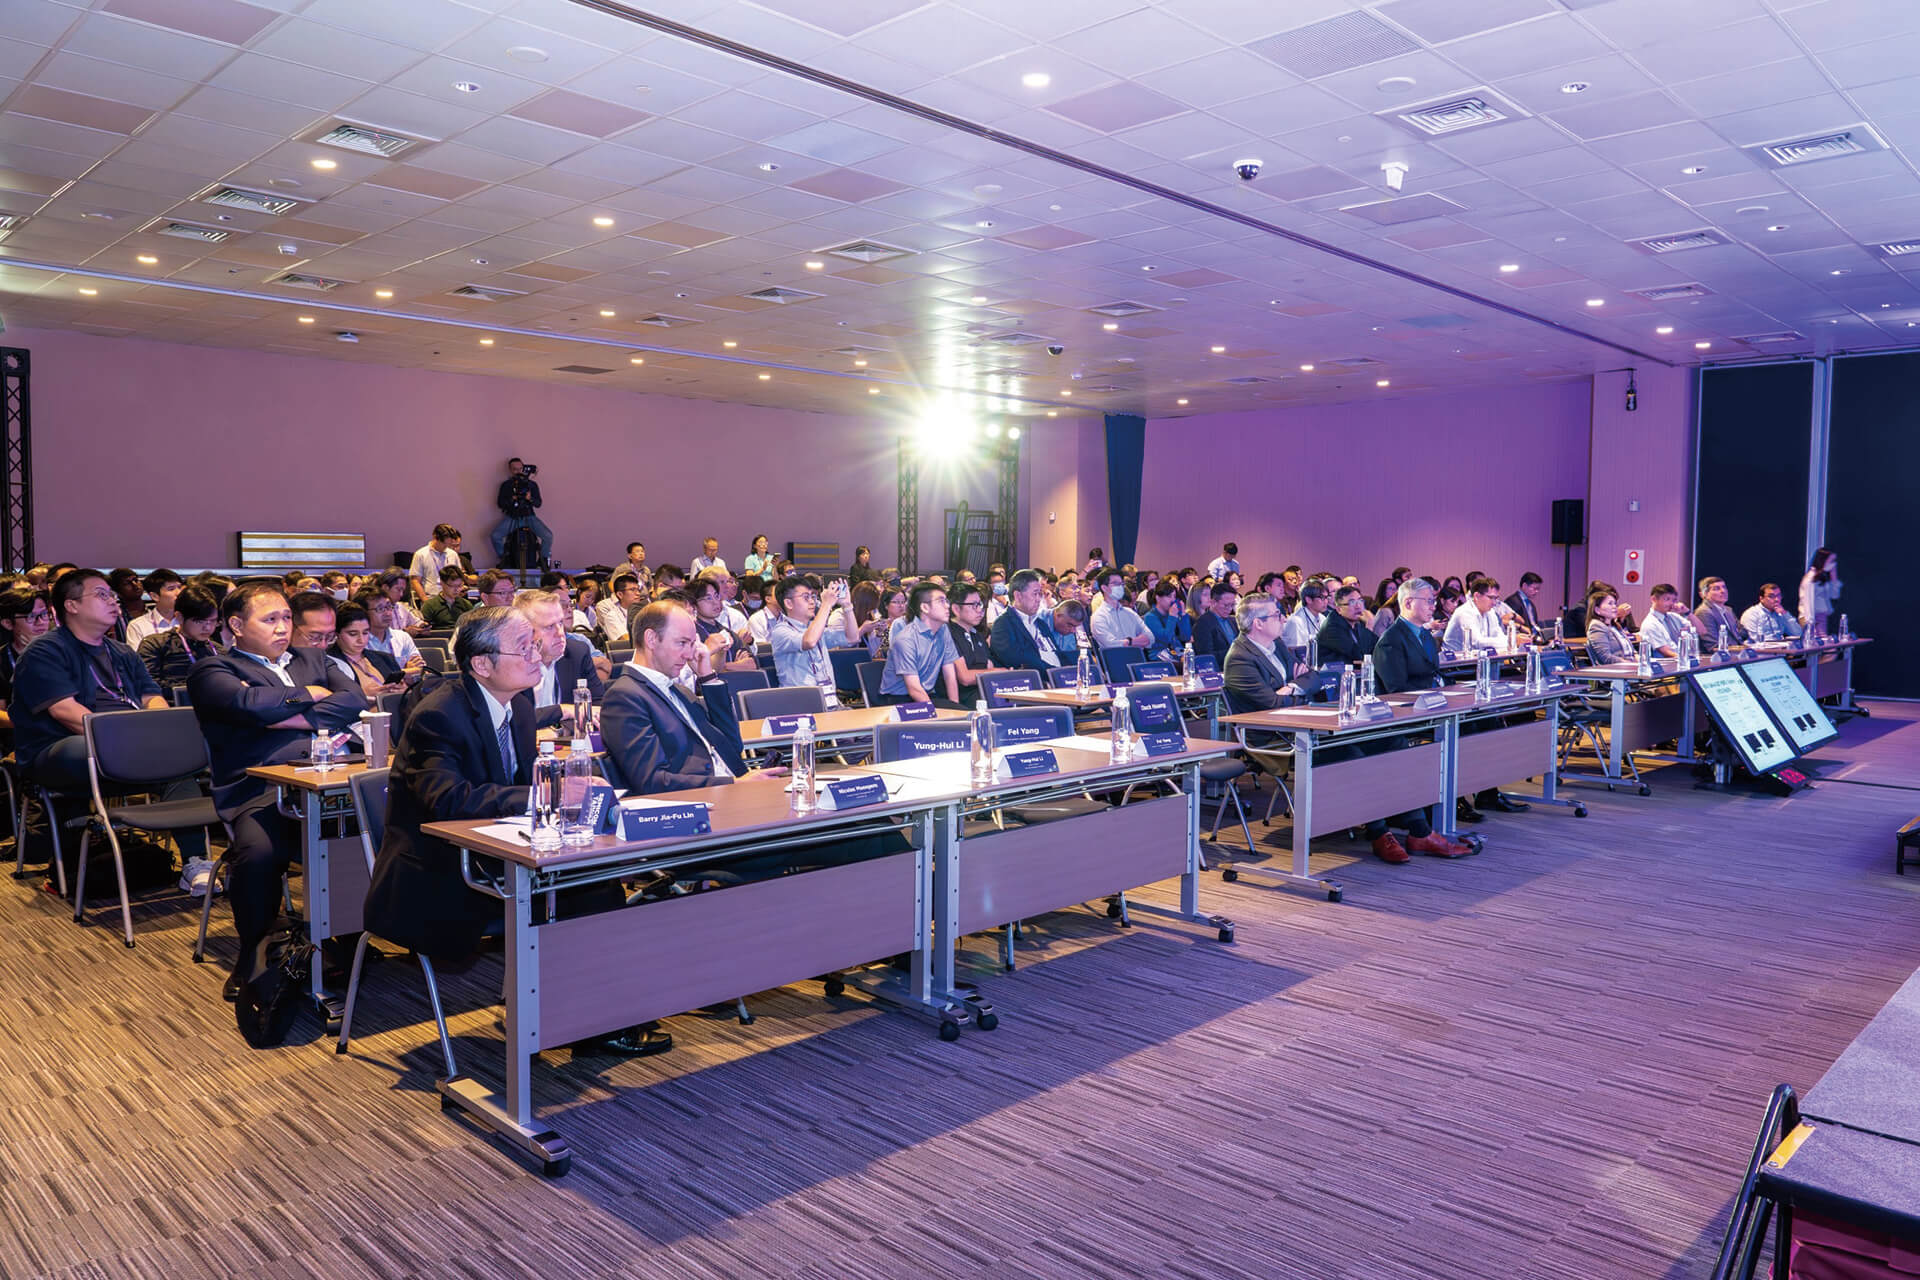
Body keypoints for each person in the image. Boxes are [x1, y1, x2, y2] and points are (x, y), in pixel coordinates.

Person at [364, 607, 667, 1057]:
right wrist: (546, 792)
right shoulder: (439, 714)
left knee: (595, 880)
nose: (536, 656)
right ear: (481, 664)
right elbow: (447, 799)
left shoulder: (520, 707)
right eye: (523, 648)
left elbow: (519, 787)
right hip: (439, 872)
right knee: (588, 894)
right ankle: (586, 1020)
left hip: (501, 855)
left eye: (534, 645)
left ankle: (587, 1013)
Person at [188, 582, 368, 994]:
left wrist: (281, 715)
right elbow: (244, 705)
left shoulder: (315, 657)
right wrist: (310, 695)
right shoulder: (214, 670)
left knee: (383, 830)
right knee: (258, 853)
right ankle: (254, 953)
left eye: (286, 617)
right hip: (261, 789)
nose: (283, 627)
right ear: (237, 625)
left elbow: (354, 699)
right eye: (270, 619)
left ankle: (350, 939)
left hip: (337, 778)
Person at [1226, 592, 1469, 863]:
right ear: (1258, 623)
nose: (1282, 619)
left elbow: (1313, 676)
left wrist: (1293, 687)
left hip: (1305, 725)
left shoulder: (1276, 644)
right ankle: (1379, 832)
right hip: (1277, 739)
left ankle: (1419, 830)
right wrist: (1299, 689)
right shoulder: (1239, 658)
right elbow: (1272, 703)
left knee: (1393, 743)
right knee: (1353, 754)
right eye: (1276, 615)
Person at [11, 569, 170, 803]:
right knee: (85, 748)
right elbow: (65, 711)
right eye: (101, 595)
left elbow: (151, 697)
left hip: (128, 740)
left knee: (183, 750)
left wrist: (162, 730)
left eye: (111, 595)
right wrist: (129, 739)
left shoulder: (123, 652)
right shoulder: (45, 651)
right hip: (64, 746)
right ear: (71, 605)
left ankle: (194, 825)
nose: (112, 601)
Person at [514, 588, 605, 726]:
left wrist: (562, 729)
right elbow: (514, 720)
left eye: (561, 623)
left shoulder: (577, 653)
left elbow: (598, 709)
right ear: (525, 630)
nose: (560, 633)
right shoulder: (512, 661)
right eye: (549, 626)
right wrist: (562, 710)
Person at [769, 576, 853, 709]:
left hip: (829, 702)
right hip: (799, 706)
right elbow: (809, 641)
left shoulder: (815, 628)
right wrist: (826, 605)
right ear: (789, 603)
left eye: (813, 596)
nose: (812, 601)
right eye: (806, 597)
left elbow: (852, 638)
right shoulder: (780, 631)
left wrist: (847, 606)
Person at [878, 581, 960, 706]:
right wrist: (934, 714)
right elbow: (914, 689)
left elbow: (950, 674)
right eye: (941, 601)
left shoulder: (943, 629)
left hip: (926, 694)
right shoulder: (906, 639)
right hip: (898, 699)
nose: (947, 606)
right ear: (925, 607)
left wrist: (955, 707)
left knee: (963, 713)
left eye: (946, 601)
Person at [138, 584, 223, 696]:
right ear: (179, 617)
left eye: (212, 621)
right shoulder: (155, 645)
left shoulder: (219, 651)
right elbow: (147, 686)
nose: (207, 628)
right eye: (199, 621)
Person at [988, 569, 1062, 673]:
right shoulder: (1003, 625)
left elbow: (1058, 654)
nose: (1038, 599)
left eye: (1040, 594)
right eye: (1035, 594)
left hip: (1059, 676)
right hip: (1040, 678)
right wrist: (1055, 672)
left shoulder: (1040, 623)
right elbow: (1019, 661)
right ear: (1018, 596)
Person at [327, 601, 406, 698]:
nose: (361, 640)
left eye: (365, 633)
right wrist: (363, 696)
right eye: (353, 634)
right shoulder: (327, 663)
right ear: (336, 633)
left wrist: (404, 691)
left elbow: (405, 691)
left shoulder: (386, 659)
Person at [0, 585, 54, 726]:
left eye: (44, 614)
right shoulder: (3, 660)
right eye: (31, 617)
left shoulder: (63, 651)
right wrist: (31, 726)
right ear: (7, 623)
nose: (41, 622)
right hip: (23, 732)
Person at [490, 457, 551, 568]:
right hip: (513, 517)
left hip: (529, 516)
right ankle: (505, 559)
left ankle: (543, 559)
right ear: (510, 470)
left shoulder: (532, 485)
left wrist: (530, 498)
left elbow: (538, 503)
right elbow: (500, 504)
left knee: (548, 536)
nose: (518, 471)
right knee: (495, 536)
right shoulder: (506, 485)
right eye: (515, 469)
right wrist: (512, 499)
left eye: (520, 468)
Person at [946, 582, 997, 699]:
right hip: (962, 697)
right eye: (974, 605)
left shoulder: (977, 635)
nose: (980, 610)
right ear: (956, 609)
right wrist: (999, 672)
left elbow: (989, 666)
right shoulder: (948, 634)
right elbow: (965, 678)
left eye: (980, 604)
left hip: (982, 692)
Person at [360, 591, 425, 676]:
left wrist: (409, 673)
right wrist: (405, 671)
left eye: (389, 607)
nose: (388, 613)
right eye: (380, 609)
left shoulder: (402, 637)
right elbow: (367, 677)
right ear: (364, 613)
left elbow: (420, 669)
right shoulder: (359, 642)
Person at [1444, 575, 1511, 656]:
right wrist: (1510, 640)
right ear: (1476, 596)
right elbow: (1477, 643)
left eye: (1496, 598)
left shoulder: (1490, 611)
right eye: (1491, 598)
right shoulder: (1464, 612)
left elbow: (1498, 635)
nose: (1494, 602)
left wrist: (1511, 640)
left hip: (1475, 658)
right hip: (1454, 661)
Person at [1090, 569, 1152, 653]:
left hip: (1138, 657)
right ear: (1104, 588)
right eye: (1115, 584)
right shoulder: (1099, 616)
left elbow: (1150, 638)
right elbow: (1111, 645)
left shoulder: (1130, 613)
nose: (1120, 587)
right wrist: (1133, 641)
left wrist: (1128, 642)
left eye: (1121, 584)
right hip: (1116, 659)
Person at [1638, 583, 1705, 659]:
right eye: (1667, 599)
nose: (1671, 603)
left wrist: (1687, 612)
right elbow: (1666, 652)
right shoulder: (1650, 623)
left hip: (1684, 658)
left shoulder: (1674, 616)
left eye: (1674, 600)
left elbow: (1702, 631)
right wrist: (1686, 659)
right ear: (1654, 599)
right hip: (1669, 663)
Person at [123, 568, 184, 649]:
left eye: (179, 587)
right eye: (171, 589)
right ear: (155, 596)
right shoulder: (137, 626)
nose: (179, 593)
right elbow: (137, 656)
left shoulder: (190, 621)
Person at [1318, 585, 1377, 667]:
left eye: (1360, 601)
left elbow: (1377, 647)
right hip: (1332, 673)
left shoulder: (1357, 623)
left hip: (1354, 671)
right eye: (1352, 602)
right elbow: (1359, 655)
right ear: (1339, 609)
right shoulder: (1332, 627)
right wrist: (1369, 626)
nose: (1358, 606)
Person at [409, 524, 464, 605]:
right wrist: (426, 601)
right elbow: (415, 581)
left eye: (448, 544)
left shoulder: (453, 554)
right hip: (430, 598)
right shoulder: (421, 554)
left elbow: (460, 578)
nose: (445, 547)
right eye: (443, 544)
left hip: (452, 599)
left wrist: (459, 591)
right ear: (435, 538)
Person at [1693, 576, 1747, 651]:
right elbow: (1713, 645)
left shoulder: (1728, 610)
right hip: (1720, 655)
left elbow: (1743, 633)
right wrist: (1741, 649)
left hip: (1737, 651)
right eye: (1716, 589)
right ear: (1705, 594)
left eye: (1724, 587)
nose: (1723, 591)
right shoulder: (1703, 612)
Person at [1799, 548, 1842, 637]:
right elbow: (1808, 602)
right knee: (1815, 643)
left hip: (1821, 616)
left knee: (1824, 643)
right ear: (1823, 561)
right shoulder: (1810, 578)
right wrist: (1810, 623)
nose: (1834, 564)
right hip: (1809, 617)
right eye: (1831, 561)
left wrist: (1834, 579)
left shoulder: (1823, 577)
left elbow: (1835, 595)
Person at [1141, 581, 1191, 658]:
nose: (1173, 600)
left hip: (1177, 654)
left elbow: (1186, 637)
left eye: (1174, 596)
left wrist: (1183, 615)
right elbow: (1166, 639)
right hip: (1159, 657)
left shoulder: (1172, 614)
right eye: (1169, 596)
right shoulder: (1150, 617)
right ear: (1158, 598)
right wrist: (1172, 617)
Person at [1585, 590, 1635, 665]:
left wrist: (1641, 661)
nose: (1615, 607)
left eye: (1615, 603)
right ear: (1597, 610)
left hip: (1630, 665)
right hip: (1617, 668)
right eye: (1610, 603)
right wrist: (1630, 664)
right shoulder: (1596, 626)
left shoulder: (1615, 626)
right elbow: (1606, 658)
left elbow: (1632, 652)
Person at [1193, 583, 1238, 668]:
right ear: (1213, 602)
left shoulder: (1233, 621)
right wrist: (1234, 652)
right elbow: (1206, 656)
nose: (1230, 609)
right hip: (1219, 669)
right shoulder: (1203, 623)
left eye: (1232, 605)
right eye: (1226, 605)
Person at [1280, 580, 1330, 652]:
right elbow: (1296, 653)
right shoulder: (1296, 621)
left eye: (1327, 597)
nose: (1326, 601)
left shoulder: (1322, 618)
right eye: (1322, 598)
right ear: (1308, 599)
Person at [1504, 572, 1546, 638]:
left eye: (1538, 589)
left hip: (1534, 637)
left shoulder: (1530, 604)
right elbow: (1510, 625)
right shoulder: (1512, 601)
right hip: (1522, 638)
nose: (1536, 591)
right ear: (1524, 586)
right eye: (1534, 588)